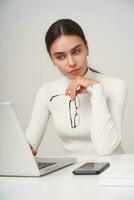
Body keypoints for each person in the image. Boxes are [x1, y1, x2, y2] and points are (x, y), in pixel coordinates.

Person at [26, 19, 126, 156]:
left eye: (76, 51)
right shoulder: (46, 92)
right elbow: (28, 145)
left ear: (87, 48)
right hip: (72, 174)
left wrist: (96, 90)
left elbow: (106, 149)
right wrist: (24, 150)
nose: (71, 62)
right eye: (60, 57)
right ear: (52, 60)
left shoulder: (114, 85)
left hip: (112, 172)